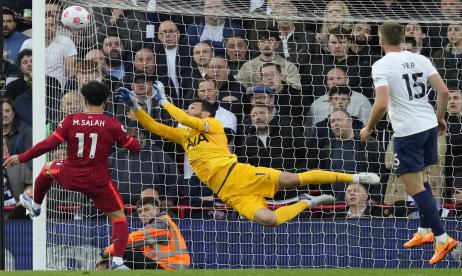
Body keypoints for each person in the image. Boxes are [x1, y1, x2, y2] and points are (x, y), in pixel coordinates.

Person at [116, 83, 380, 227]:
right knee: (270, 220)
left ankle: (354, 175)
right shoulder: (184, 136)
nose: (191, 109)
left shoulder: (213, 126)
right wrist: (137, 109)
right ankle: (307, 202)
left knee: (291, 179)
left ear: (206, 113)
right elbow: (155, 127)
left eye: (195, 107)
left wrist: (164, 103)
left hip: (239, 173)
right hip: (228, 192)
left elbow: (185, 118)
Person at [3, 81, 141, 269]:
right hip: (98, 182)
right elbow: (135, 148)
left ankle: (35, 205)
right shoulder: (113, 124)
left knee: (48, 168)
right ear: (106, 101)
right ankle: (117, 261)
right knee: (119, 218)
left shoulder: (71, 120)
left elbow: (48, 145)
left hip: (71, 175)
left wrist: (22, 157)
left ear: (84, 100)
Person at [360, 21, 457, 264]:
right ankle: (424, 232)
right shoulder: (421, 58)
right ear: (402, 37)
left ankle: (443, 239)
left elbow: (381, 103)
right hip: (427, 127)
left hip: (408, 133)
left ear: (381, 40)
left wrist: (368, 127)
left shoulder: (381, 65)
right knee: (423, 181)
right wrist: (440, 119)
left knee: (413, 188)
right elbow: (444, 92)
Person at [96, 197, 190, 270]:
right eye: (140, 211)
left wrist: (104, 254)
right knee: (127, 251)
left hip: (171, 269)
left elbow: (127, 241)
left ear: (157, 210)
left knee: (123, 251)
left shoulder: (161, 225)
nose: (143, 214)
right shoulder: (162, 223)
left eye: (147, 209)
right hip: (170, 267)